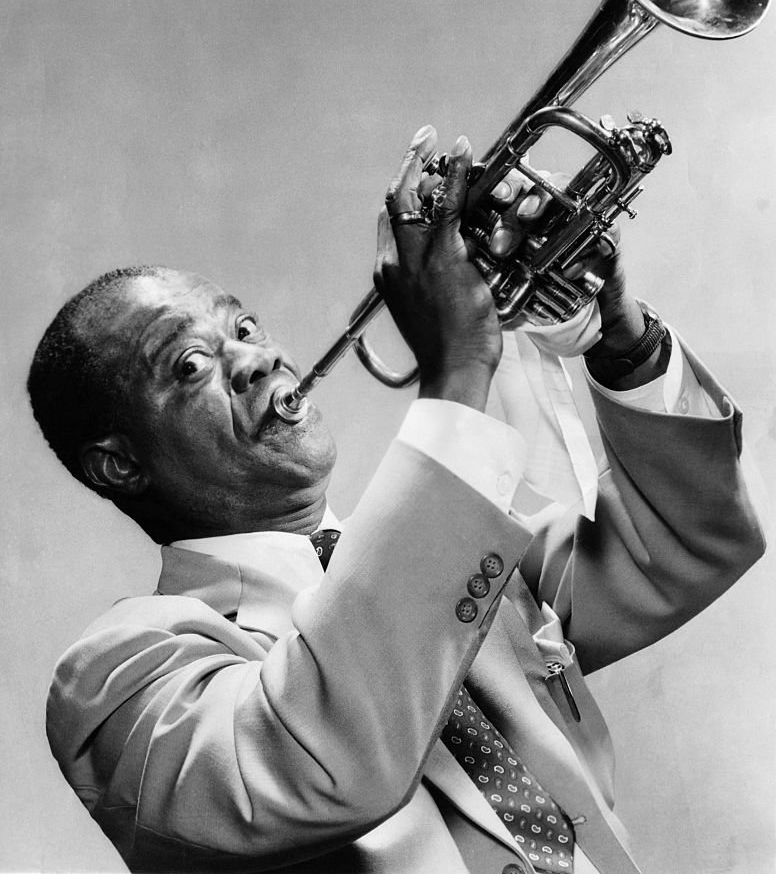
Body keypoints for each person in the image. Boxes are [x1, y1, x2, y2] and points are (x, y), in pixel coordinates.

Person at [31, 126, 764, 874]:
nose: (254, 359)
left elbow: (692, 543)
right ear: (119, 465)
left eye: (244, 327)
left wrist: (620, 335)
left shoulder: (467, 553)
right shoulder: (118, 678)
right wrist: (456, 371)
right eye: (190, 366)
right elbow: (320, 764)